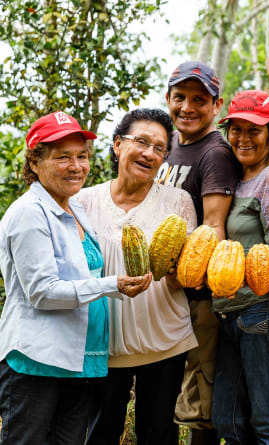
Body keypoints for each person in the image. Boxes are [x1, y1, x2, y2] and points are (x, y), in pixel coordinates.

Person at [0, 111, 151, 445]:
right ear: (35, 162)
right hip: (37, 362)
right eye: (62, 157)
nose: (76, 166)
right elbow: (42, 292)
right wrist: (113, 285)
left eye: (82, 156)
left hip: (78, 361)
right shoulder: (29, 214)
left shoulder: (74, 208)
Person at [77, 109, 198, 445]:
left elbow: (182, 278)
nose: (149, 153)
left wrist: (179, 273)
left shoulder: (178, 202)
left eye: (159, 149)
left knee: (158, 434)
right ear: (117, 144)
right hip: (103, 346)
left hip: (164, 342)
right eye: (142, 142)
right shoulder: (84, 202)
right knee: (99, 433)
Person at [155, 60, 241, 445]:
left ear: (216, 105)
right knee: (170, 394)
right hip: (164, 294)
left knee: (198, 403)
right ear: (168, 98)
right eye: (180, 97)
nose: (187, 107)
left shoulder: (216, 153)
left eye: (199, 100)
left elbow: (213, 227)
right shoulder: (170, 144)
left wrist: (191, 280)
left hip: (197, 297)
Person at [209, 90, 269, 444]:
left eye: (254, 130)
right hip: (232, 311)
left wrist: (241, 275)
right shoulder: (239, 178)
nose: (243, 138)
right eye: (236, 129)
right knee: (228, 420)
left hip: (266, 310)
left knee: (267, 419)